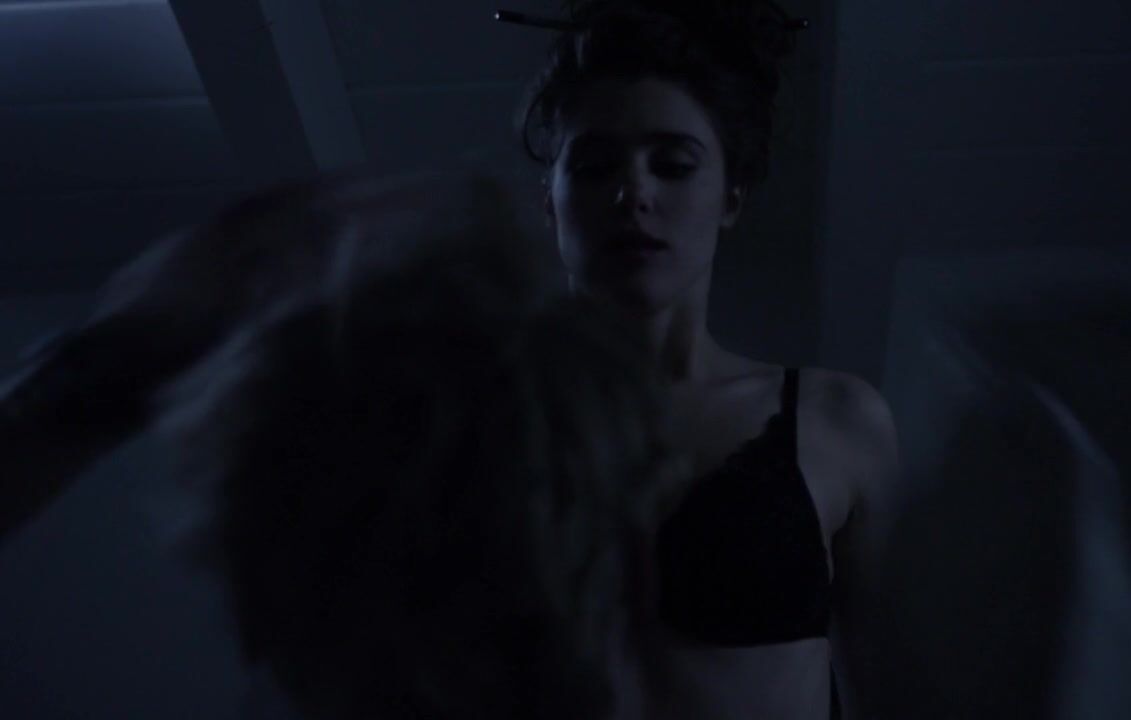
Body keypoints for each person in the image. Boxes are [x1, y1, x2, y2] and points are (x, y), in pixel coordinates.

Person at [507, 1, 900, 718]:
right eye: (595, 166)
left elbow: (890, 691)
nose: (633, 193)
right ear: (551, 202)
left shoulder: (835, 421)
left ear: (730, 198)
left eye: (673, 165)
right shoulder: (479, 423)